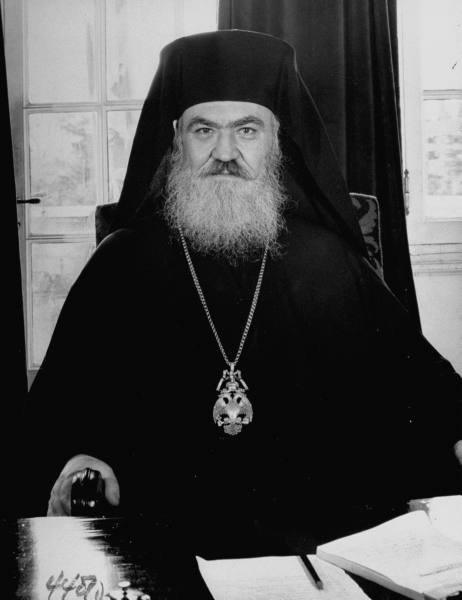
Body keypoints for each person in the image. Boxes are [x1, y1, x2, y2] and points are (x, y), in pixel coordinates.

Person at [26, 30, 462, 553]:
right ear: (176, 139)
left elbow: (419, 381)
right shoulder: (121, 262)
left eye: (247, 130)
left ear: (276, 140)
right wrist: (77, 457)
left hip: (316, 532)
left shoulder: (328, 258)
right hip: (165, 531)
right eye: (204, 129)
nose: (225, 152)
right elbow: (59, 407)